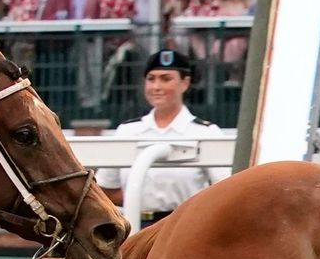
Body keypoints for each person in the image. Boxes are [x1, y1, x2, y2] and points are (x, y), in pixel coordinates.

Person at [96, 49, 230, 225]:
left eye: (166, 79)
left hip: (185, 226)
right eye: (151, 79)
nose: (156, 87)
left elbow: (224, 188)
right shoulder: (128, 131)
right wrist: (139, 201)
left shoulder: (205, 132)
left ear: (185, 83)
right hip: (138, 225)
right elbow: (106, 188)